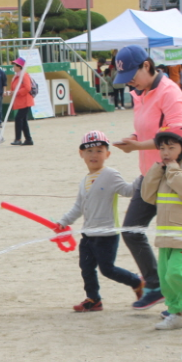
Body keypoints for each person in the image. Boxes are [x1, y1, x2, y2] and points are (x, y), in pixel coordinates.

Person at [112, 44, 182, 310]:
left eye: (132, 75)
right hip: (149, 175)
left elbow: (177, 137)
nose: (129, 82)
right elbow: (149, 130)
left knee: (174, 239)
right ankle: (155, 286)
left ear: (147, 65)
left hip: (171, 176)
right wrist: (133, 139)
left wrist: (137, 146)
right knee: (131, 230)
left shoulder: (170, 92)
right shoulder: (139, 94)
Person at [54, 131, 142, 312]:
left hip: (106, 234)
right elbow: (79, 207)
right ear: (81, 153)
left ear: (107, 154)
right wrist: (64, 221)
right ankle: (93, 299)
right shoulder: (84, 181)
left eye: (99, 151)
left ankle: (137, 281)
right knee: (86, 267)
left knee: (107, 269)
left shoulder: (110, 174)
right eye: (89, 151)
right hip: (87, 234)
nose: (94, 155)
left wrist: (143, 176)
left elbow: (127, 191)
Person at [140, 126, 182, 330]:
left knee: (176, 274)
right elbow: (147, 195)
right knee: (165, 279)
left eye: (171, 147)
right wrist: (156, 170)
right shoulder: (164, 173)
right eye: (162, 148)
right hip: (166, 236)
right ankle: (177, 314)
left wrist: (173, 170)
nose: (165, 153)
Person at [6, 56, 35, 146]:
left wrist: (16, 92)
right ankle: (28, 139)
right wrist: (9, 92)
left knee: (18, 118)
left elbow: (27, 88)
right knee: (23, 120)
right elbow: (14, 89)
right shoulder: (17, 76)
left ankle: (18, 139)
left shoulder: (24, 75)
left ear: (20, 67)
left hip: (25, 101)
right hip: (21, 101)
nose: (14, 67)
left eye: (15, 65)